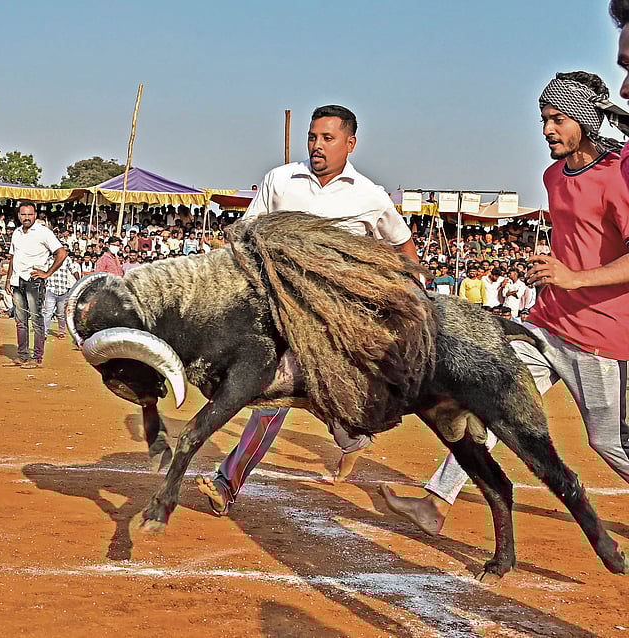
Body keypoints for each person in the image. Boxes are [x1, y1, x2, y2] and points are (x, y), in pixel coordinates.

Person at [381, 70, 629, 534]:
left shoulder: (618, 177)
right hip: (546, 323)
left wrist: (574, 277)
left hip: (599, 336)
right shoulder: (553, 176)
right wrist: (555, 271)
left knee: (608, 442)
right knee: (489, 400)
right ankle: (435, 502)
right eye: (543, 119)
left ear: (583, 120)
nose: (546, 130)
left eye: (557, 119)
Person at [197, 105, 420, 516]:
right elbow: (246, 232)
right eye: (313, 137)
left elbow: (404, 246)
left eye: (328, 138)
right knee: (269, 395)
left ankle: (349, 437)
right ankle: (229, 482)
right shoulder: (280, 180)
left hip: (335, 319)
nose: (317, 145)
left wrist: (410, 295)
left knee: (315, 390)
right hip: (277, 308)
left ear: (350, 143)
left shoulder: (370, 195)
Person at [4, 202, 67, 369]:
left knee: (36, 319)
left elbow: (61, 253)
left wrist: (47, 273)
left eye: (30, 214)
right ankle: (22, 356)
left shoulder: (43, 232)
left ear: (35, 215)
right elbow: (13, 257)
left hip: (34, 280)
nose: (27, 217)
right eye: (23, 214)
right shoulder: (16, 232)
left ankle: (37, 357)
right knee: (20, 321)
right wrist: (8, 279)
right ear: (19, 216)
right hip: (17, 280)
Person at [43, 252, 82, 341]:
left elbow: (74, 270)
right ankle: (44, 332)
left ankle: (61, 331)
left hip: (63, 290)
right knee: (48, 313)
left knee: (61, 314)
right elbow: (44, 271)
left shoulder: (66, 259)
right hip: (51, 289)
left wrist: (79, 281)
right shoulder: (48, 260)